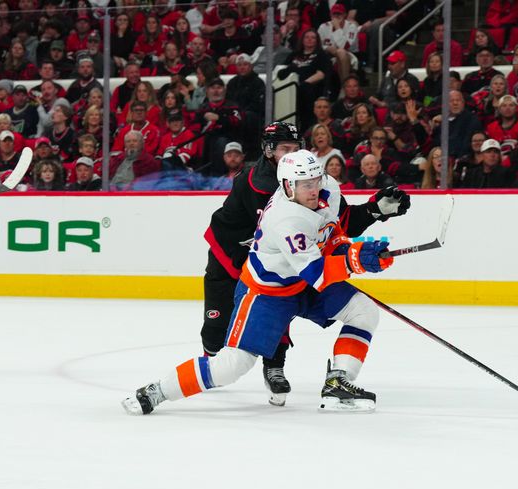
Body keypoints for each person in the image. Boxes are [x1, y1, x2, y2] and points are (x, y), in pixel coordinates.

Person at [122, 150, 393, 415]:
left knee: (363, 312)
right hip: (267, 293)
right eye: (305, 184)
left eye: (316, 180)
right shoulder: (286, 219)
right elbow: (317, 273)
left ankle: (337, 383)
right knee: (232, 365)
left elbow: (329, 234)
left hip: (301, 283)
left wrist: (354, 248)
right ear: (288, 186)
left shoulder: (328, 190)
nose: (314, 189)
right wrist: (355, 259)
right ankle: (157, 391)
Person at [200, 122, 410, 403]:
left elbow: (336, 224)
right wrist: (350, 260)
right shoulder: (258, 184)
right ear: (268, 151)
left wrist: (375, 210)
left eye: (296, 148)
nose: (292, 154)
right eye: (284, 149)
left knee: (280, 305)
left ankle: (274, 367)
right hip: (230, 260)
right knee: (215, 335)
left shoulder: (307, 182)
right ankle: (210, 370)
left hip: (275, 265)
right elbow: (301, 238)